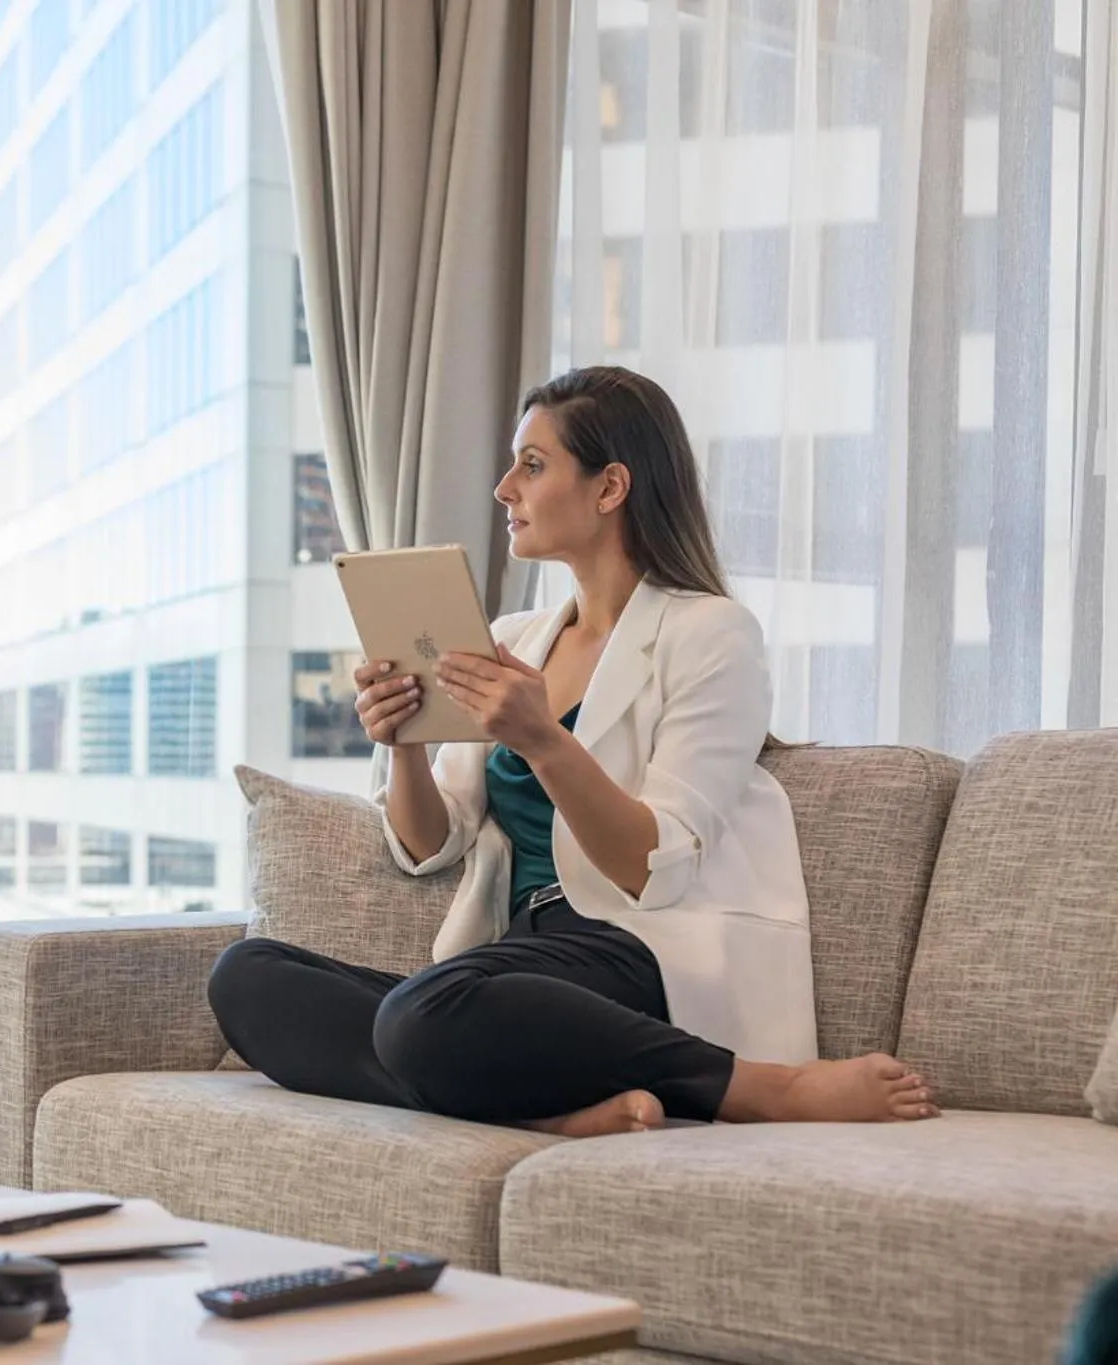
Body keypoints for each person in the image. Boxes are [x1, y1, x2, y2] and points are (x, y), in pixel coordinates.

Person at [209, 365, 939, 1136]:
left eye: (532, 464)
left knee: (420, 1015)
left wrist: (542, 738)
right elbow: (429, 845)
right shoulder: (513, 639)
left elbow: (650, 866)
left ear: (610, 487)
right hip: (518, 962)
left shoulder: (712, 634)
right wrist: (407, 744)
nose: (504, 489)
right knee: (249, 979)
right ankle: (550, 1114)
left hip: (635, 951)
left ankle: (757, 1085)